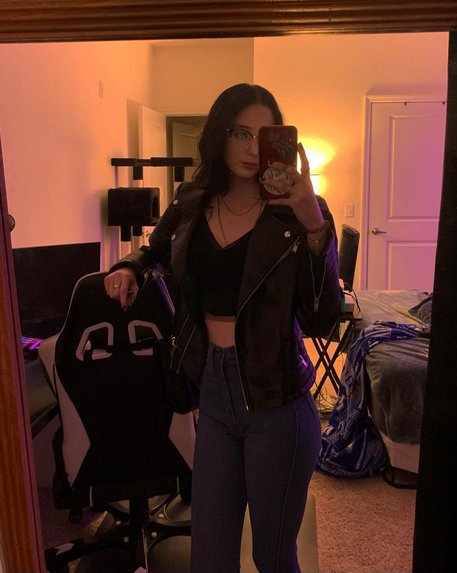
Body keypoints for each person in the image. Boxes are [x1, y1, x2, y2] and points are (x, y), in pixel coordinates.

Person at [105, 83, 342, 573]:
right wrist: (130, 266)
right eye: (239, 133)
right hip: (213, 393)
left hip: (277, 399)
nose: (253, 148)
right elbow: (155, 248)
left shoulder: (299, 212)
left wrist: (313, 223)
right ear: (219, 135)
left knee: (272, 556)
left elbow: (322, 319)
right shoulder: (192, 201)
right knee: (209, 555)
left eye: (265, 135)